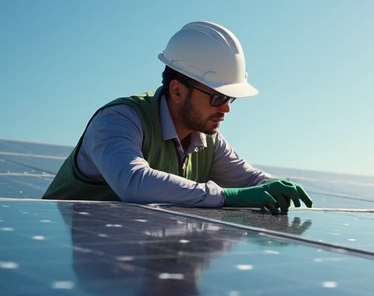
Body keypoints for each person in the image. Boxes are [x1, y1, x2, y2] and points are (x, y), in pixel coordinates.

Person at [43, 21, 312, 215]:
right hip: (56, 264)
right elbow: (134, 182)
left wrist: (272, 185)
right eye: (217, 98)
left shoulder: (209, 140)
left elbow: (248, 180)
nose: (226, 109)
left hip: (135, 259)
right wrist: (225, 196)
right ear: (177, 90)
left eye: (231, 99)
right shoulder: (118, 120)